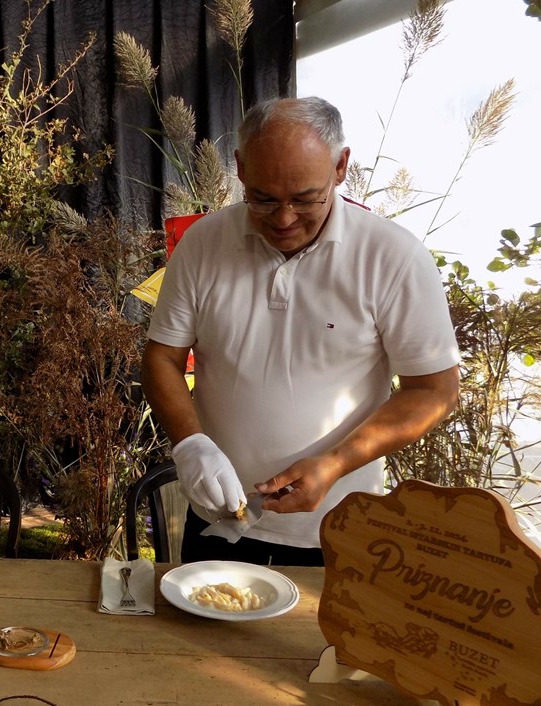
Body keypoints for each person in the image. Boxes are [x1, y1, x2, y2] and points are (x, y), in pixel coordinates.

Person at [141, 96, 460, 566]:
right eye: (264, 198)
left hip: (339, 527)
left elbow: (435, 389)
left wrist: (335, 463)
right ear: (241, 168)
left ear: (340, 167)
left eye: (306, 198)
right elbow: (162, 358)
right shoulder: (203, 243)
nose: (284, 218)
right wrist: (191, 444)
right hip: (219, 518)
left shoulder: (393, 257)